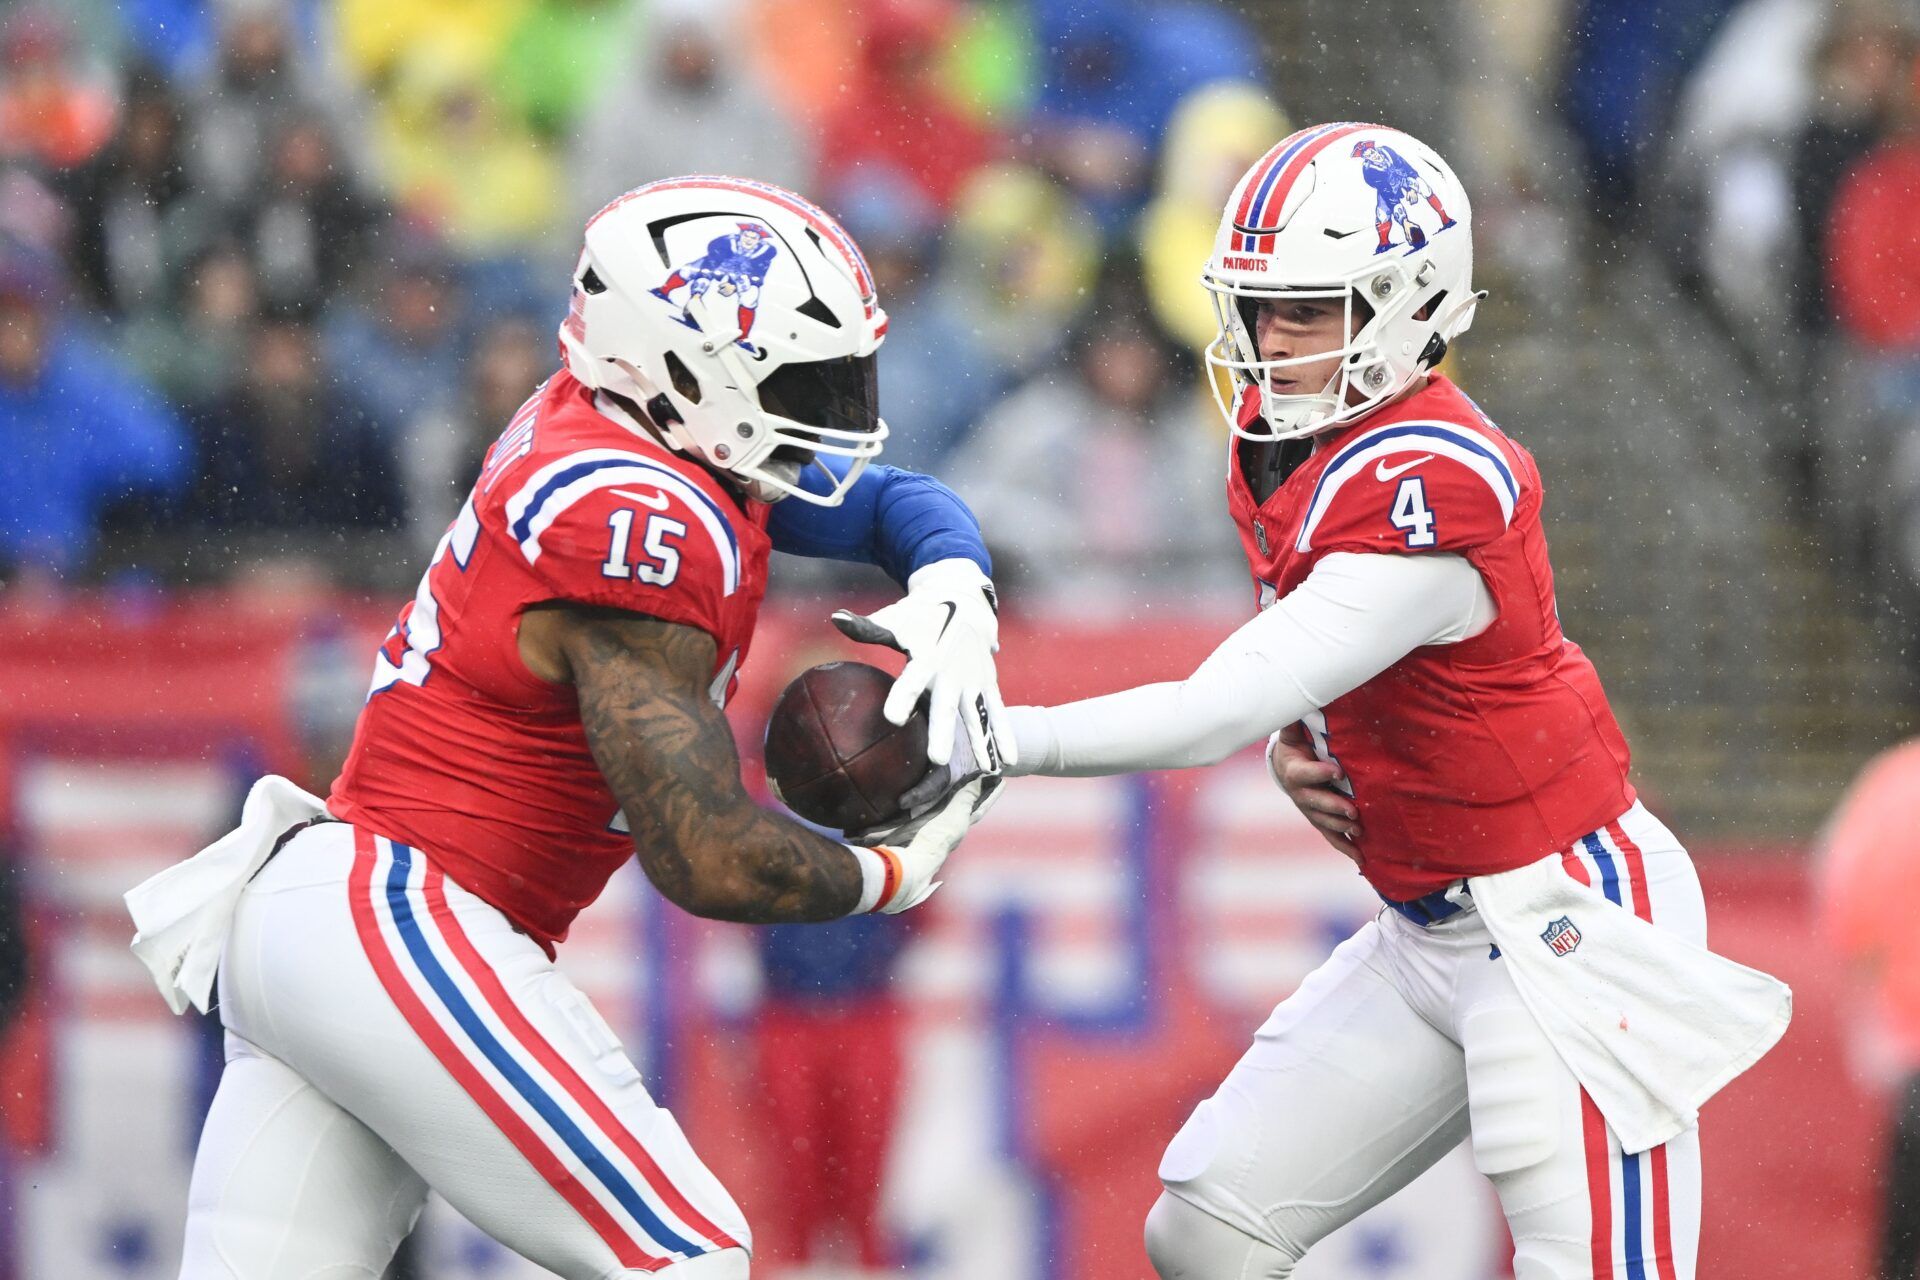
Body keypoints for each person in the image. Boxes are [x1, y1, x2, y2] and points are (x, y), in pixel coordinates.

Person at [125, 176, 1012, 1279]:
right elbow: (704, 852)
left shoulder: (636, 426)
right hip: (399, 915)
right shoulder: (635, 516)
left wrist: (959, 585)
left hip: (326, 913)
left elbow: (885, 498)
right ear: (685, 368)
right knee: (688, 1254)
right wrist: (889, 873)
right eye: (801, 375)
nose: (829, 407)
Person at [954, 124, 1788, 1279]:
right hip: (1430, 919)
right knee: (1206, 1229)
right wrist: (1317, 743)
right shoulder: (1292, 445)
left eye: (1305, 309)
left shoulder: (1432, 479)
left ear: (1406, 305)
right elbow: (1320, 675)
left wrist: (994, 738)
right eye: (1257, 308)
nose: (1267, 341)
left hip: (1561, 917)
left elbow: (1217, 705)